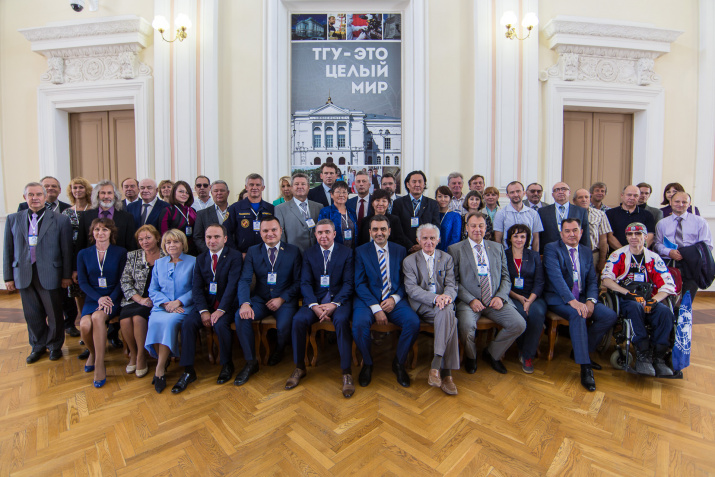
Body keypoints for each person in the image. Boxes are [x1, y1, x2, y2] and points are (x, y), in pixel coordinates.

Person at [543, 218, 617, 392]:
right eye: (567, 231)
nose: (571, 234)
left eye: (575, 230)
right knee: (578, 314)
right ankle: (585, 367)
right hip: (559, 298)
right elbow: (556, 279)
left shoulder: (585, 251)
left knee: (609, 316)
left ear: (581, 232)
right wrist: (573, 302)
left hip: (583, 297)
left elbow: (592, 280)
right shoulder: (552, 249)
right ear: (561, 233)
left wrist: (591, 300)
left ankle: (581, 350)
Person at [284, 220, 355, 397]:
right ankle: (300, 367)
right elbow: (305, 283)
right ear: (315, 235)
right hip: (315, 301)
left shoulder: (346, 253)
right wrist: (314, 306)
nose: (323, 236)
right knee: (298, 320)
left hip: (339, 302)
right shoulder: (309, 254)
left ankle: (346, 372)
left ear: (334, 234)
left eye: (327, 232)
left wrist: (334, 304)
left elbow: (348, 283)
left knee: (341, 320)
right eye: (320, 233)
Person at [448, 212, 526, 375]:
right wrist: (470, 300)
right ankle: (471, 357)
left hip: (494, 300)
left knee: (519, 324)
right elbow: (453, 282)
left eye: (481, 226)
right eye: (473, 226)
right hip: (469, 302)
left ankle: (492, 353)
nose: (477, 229)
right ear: (467, 228)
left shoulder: (497, 248)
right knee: (466, 327)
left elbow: (506, 277)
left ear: (486, 228)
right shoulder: (455, 249)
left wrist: (500, 297)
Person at [3, 182, 72, 364]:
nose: (35, 198)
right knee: (32, 314)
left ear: (45, 197)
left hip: (51, 273)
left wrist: (66, 276)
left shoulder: (60, 219)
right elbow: (7, 249)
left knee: (54, 313)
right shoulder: (13, 219)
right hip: (23, 273)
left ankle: (55, 346)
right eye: (31, 195)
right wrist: (8, 277)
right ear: (24, 197)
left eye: (39, 194)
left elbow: (66, 250)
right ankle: (38, 345)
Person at [172, 224, 243, 393]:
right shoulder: (201, 258)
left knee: (221, 325)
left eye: (216, 237)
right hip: (206, 305)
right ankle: (188, 371)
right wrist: (203, 311)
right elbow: (196, 288)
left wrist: (221, 310)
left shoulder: (234, 256)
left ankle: (227, 364)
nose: (212, 240)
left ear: (225, 239)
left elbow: (232, 286)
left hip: (227, 305)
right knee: (188, 323)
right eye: (209, 237)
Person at [602, 222, 677, 376]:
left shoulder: (653, 258)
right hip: (627, 298)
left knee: (665, 313)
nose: (633, 237)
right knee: (634, 308)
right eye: (630, 234)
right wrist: (628, 294)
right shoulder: (618, 255)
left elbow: (668, 284)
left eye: (637, 234)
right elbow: (606, 280)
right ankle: (642, 354)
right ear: (626, 237)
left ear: (645, 236)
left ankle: (658, 356)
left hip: (649, 298)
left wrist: (654, 301)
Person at [353, 215, 420, 387]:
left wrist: (394, 298)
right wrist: (376, 308)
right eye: (375, 229)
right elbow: (359, 284)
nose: (379, 233)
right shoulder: (361, 251)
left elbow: (406, 281)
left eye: (383, 229)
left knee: (413, 322)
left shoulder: (400, 250)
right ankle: (368, 363)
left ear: (389, 231)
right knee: (359, 325)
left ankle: (399, 363)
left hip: (394, 298)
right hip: (368, 300)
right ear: (370, 232)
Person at [236, 216, 301, 384]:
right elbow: (244, 280)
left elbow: (298, 281)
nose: (270, 233)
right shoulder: (253, 251)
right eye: (265, 230)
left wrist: (282, 299)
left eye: (273, 230)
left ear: (281, 231)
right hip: (260, 299)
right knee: (241, 316)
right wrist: (245, 303)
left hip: (284, 300)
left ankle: (279, 349)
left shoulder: (293, 251)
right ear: (260, 233)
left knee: (284, 326)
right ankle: (251, 362)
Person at [403, 224, 460, 395]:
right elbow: (411, 289)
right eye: (425, 238)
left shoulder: (446, 258)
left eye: (432, 238)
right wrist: (436, 298)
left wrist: (446, 297)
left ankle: (436, 367)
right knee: (450, 317)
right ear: (418, 240)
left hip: (444, 304)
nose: (429, 242)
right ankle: (446, 374)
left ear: (438, 240)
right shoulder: (409, 261)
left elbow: (451, 284)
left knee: (447, 312)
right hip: (424, 305)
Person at [77, 218, 128, 388]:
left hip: (113, 297)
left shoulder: (120, 252)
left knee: (98, 317)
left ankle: (99, 363)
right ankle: (92, 353)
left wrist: (110, 298)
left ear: (111, 232)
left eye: (105, 229)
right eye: (97, 229)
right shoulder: (83, 254)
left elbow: (122, 280)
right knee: (84, 325)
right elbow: (83, 282)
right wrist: (99, 298)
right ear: (92, 232)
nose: (100, 233)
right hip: (93, 297)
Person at [145, 229, 196, 393]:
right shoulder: (159, 263)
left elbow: (196, 289)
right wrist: (166, 304)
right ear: (164, 245)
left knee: (168, 322)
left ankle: (159, 369)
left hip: (183, 306)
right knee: (155, 322)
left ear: (183, 244)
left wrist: (178, 302)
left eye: (175, 241)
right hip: (162, 306)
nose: (172, 245)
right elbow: (153, 289)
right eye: (168, 242)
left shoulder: (193, 262)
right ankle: (163, 361)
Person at [119, 225, 165, 379]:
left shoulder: (166, 254)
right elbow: (125, 281)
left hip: (156, 300)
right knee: (125, 320)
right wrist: (139, 299)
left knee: (138, 318)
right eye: (141, 239)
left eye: (148, 238)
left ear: (157, 238)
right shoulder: (132, 256)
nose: (144, 242)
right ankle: (134, 353)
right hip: (135, 298)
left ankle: (141, 356)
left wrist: (155, 299)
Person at [655, 191, 713, 301]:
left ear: (689, 204)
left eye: (684, 202)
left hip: (692, 264)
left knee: (687, 298)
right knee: (670, 296)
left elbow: (707, 246)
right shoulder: (662, 223)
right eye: (677, 201)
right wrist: (669, 252)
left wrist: (689, 254)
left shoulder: (700, 222)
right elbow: (657, 245)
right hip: (670, 262)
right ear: (670, 202)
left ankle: (684, 312)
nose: (680, 204)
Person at [504, 224, 547, 374]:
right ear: (510, 238)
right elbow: (502, 281)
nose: (519, 239)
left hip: (533, 296)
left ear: (527, 238)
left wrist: (529, 300)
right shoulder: (504, 255)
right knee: (521, 314)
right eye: (515, 236)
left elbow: (540, 282)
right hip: (512, 295)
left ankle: (528, 356)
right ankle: (522, 349)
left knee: (537, 314)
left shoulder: (534, 255)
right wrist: (519, 298)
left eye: (522, 236)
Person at [62, 176, 93, 337]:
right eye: (75, 187)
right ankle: (84, 331)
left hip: (91, 254)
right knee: (79, 293)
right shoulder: (66, 212)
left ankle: (99, 328)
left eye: (81, 187)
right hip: (73, 256)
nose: (78, 190)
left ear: (86, 190)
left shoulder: (93, 210)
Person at [77, 180, 137, 253]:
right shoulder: (86, 216)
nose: (106, 196)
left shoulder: (127, 217)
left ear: (115, 195)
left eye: (109, 193)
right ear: (97, 195)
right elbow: (80, 244)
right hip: (92, 258)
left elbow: (131, 246)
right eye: (103, 193)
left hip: (119, 258)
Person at [391, 170, 440, 252]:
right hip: (404, 249)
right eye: (414, 182)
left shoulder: (432, 204)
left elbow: (436, 227)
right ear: (408, 184)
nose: (417, 184)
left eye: (420, 182)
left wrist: (422, 245)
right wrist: (410, 246)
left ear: (424, 184)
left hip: (427, 248)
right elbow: (397, 229)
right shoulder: (398, 203)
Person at [225, 173, 275, 255]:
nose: (254, 188)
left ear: (263, 188)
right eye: (251, 185)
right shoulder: (235, 208)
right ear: (246, 187)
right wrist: (236, 253)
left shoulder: (270, 209)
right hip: (243, 254)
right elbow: (226, 232)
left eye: (258, 185)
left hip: (266, 254)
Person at [274, 173, 322, 252]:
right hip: (293, 254)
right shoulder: (280, 209)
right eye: (296, 184)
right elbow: (281, 236)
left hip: (316, 254)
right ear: (292, 187)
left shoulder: (319, 207)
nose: (300, 187)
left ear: (308, 187)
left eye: (303, 184)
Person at [538, 182, 590, 254]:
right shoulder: (542, 211)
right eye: (557, 190)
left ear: (569, 192)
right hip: (550, 252)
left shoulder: (581, 211)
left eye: (563, 189)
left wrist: (586, 253)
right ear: (552, 194)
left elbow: (585, 235)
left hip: (573, 252)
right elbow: (539, 236)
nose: (560, 192)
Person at [493, 181, 543, 251]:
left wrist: (535, 256)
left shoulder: (533, 213)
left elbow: (536, 239)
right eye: (512, 192)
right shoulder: (500, 214)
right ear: (507, 195)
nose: (515, 195)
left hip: (528, 253)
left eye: (518, 191)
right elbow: (498, 239)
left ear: (524, 193)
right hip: (507, 253)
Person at [573, 188, 612, 273]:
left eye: (586, 197)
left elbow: (603, 240)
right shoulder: (569, 214)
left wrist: (602, 260)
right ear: (574, 201)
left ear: (590, 199)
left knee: (593, 279)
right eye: (580, 197)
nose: (584, 200)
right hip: (574, 255)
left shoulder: (600, 214)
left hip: (594, 254)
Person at [605, 185, 656, 250]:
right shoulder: (610, 214)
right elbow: (609, 237)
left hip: (640, 253)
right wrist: (625, 252)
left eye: (635, 196)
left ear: (638, 197)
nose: (632, 198)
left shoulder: (647, 215)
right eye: (629, 195)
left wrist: (638, 251)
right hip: (617, 253)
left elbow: (650, 236)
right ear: (622, 195)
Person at [159, 180, 199, 255]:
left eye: (187, 192)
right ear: (174, 192)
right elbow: (164, 234)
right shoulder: (168, 211)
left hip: (193, 249)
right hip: (175, 250)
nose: (184, 194)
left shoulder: (192, 210)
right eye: (181, 191)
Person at [193, 180, 231, 254]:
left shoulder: (234, 211)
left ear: (228, 192)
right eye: (216, 191)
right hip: (209, 254)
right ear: (211, 193)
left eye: (222, 190)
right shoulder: (202, 214)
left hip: (231, 254)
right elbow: (197, 237)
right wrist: (211, 251)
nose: (219, 193)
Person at [319, 181, 359, 249]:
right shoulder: (325, 212)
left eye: (344, 192)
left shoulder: (352, 212)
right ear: (331, 194)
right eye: (338, 192)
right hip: (334, 251)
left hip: (351, 251)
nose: (341, 195)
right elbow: (321, 235)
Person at [434, 186, 461, 251]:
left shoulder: (455, 216)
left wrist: (446, 252)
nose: (443, 199)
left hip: (448, 251)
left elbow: (455, 238)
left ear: (450, 199)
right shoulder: (432, 214)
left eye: (445, 196)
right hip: (432, 250)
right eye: (440, 196)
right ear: (436, 198)